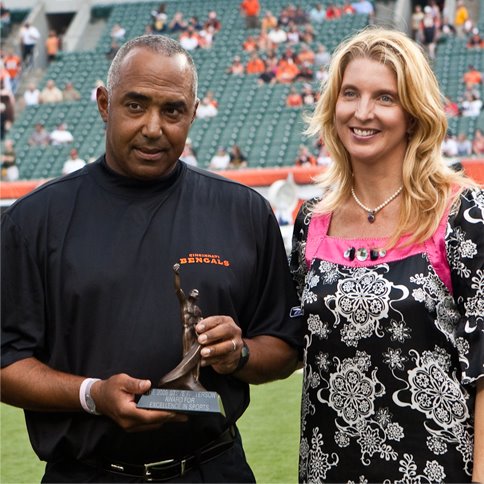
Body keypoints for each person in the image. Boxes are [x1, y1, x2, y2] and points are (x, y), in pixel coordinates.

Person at [1, 34, 303, 483]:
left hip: (211, 468)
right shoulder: (34, 220)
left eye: (173, 110)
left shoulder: (243, 211)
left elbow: (284, 347)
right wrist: (91, 394)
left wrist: (238, 354)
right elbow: (6, 361)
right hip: (85, 473)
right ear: (105, 104)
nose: (153, 127)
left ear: (194, 113)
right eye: (136, 105)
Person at [289, 27, 483, 483]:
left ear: (414, 115)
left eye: (384, 98)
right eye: (350, 93)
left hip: (439, 468)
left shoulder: (462, 212)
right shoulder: (312, 220)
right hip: (328, 468)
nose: (362, 112)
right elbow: (289, 339)